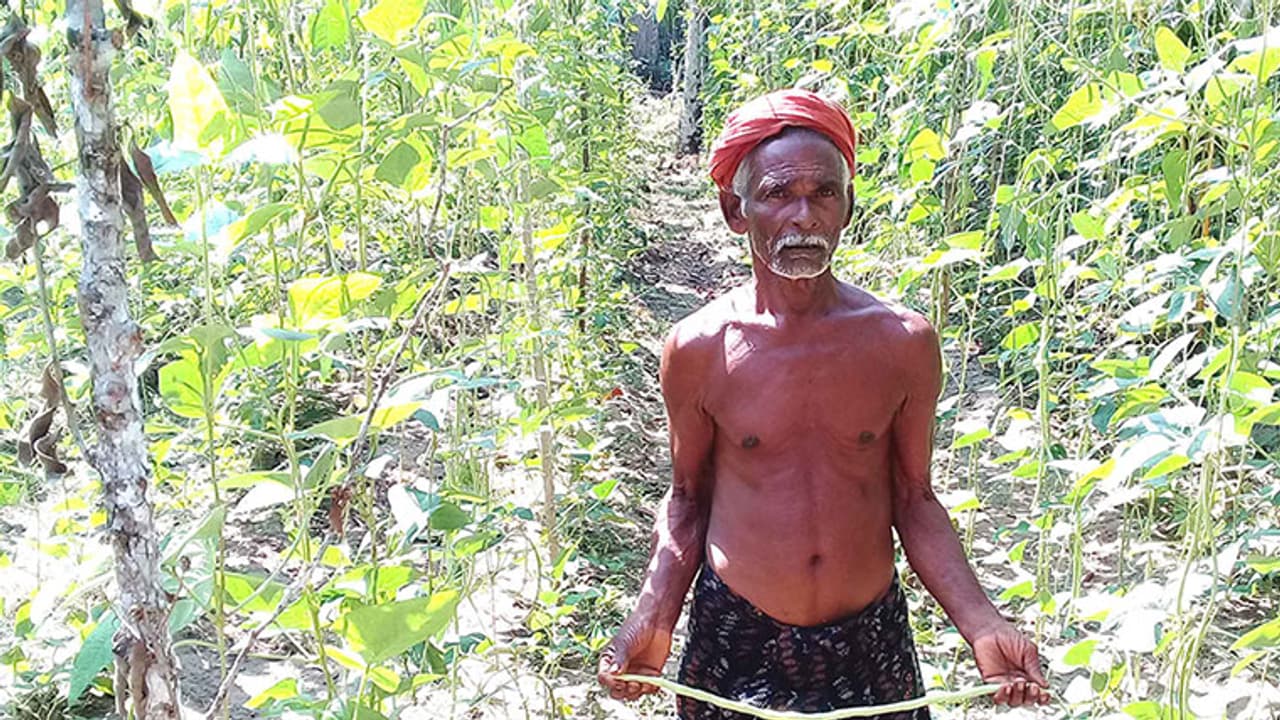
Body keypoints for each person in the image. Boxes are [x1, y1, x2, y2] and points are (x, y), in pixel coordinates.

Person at [595, 89, 1050, 719]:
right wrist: (653, 619)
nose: (803, 216)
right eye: (779, 194)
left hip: (867, 641)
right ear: (737, 209)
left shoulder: (901, 343)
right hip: (738, 637)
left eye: (824, 193)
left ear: (848, 207)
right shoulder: (699, 349)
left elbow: (914, 498)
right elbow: (688, 499)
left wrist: (982, 623)